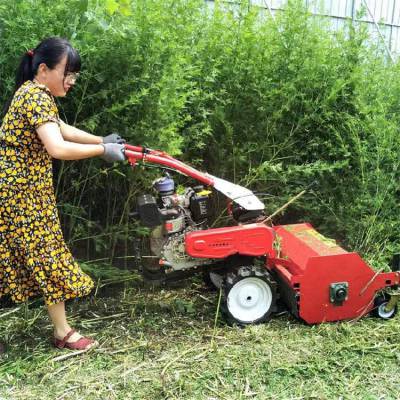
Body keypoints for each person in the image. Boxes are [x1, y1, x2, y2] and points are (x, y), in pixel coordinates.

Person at [0, 37, 126, 351]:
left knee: (17, 258)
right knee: (48, 255)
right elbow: (57, 147)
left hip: (21, 192)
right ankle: (62, 332)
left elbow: (61, 129)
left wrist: (102, 138)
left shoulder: (32, 94)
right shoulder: (36, 95)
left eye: (75, 76)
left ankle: (61, 330)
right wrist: (102, 150)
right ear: (44, 69)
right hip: (20, 195)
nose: (71, 81)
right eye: (67, 74)